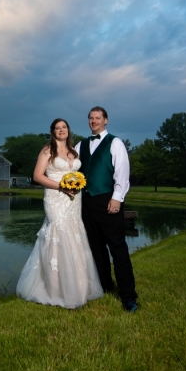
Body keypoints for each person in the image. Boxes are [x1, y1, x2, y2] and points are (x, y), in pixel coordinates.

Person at [16, 118, 103, 308]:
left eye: (64, 127)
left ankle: (78, 287)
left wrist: (76, 185)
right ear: (53, 131)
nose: (61, 130)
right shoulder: (48, 150)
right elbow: (38, 176)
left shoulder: (73, 151)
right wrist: (62, 187)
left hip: (74, 200)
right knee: (58, 233)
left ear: (68, 130)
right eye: (57, 128)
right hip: (55, 197)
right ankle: (55, 290)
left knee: (74, 234)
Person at [75, 106, 138, 313]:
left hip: (108, 200)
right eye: (91, 118)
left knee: (118, 248)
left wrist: (117, 198)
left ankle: (128, 296)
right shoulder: (81, 145)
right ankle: (105, 285)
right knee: (96, 249)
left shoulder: (115, 142)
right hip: (87, 202)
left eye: (98, 118)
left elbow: (122, 173)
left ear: (105, 121)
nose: (94, 121)